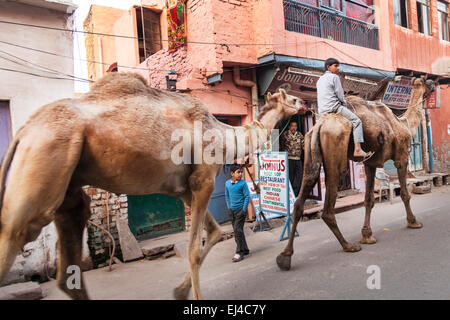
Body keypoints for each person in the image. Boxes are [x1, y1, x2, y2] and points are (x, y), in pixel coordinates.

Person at [316, 58, 374, 161]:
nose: (338, 68)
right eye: (335, 66)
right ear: (328, 67)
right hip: (334, 107)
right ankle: (358, 149)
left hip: (322, 111)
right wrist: (344, 103)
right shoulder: (334, 77)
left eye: (338, 66)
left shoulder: (320, 79)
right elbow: (340, 94)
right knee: (357, 121)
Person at [225, 163, 250, 262]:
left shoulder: (243, 184)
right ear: (232, 173)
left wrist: (244, 209)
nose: (240, 174)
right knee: (238, 230)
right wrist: (229, 208)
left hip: (241, 211)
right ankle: (245, 249)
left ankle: (239, 252)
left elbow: (247, 196)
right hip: (232, 211)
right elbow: (227, 196)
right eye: (238, 172)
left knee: (237, 230)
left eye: (241, 172)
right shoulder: (227, 183)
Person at [280, 121, 304, 197]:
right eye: (292, 126)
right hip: (289, 159)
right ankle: (290, 194)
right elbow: (281, 146)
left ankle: (295, 193)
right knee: (290, 177)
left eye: (295, 126)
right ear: (289, 127)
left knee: (299, 177)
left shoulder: (299, 135)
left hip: (298, 159)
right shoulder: (285, 134)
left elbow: (303, 145)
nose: (294, 128)